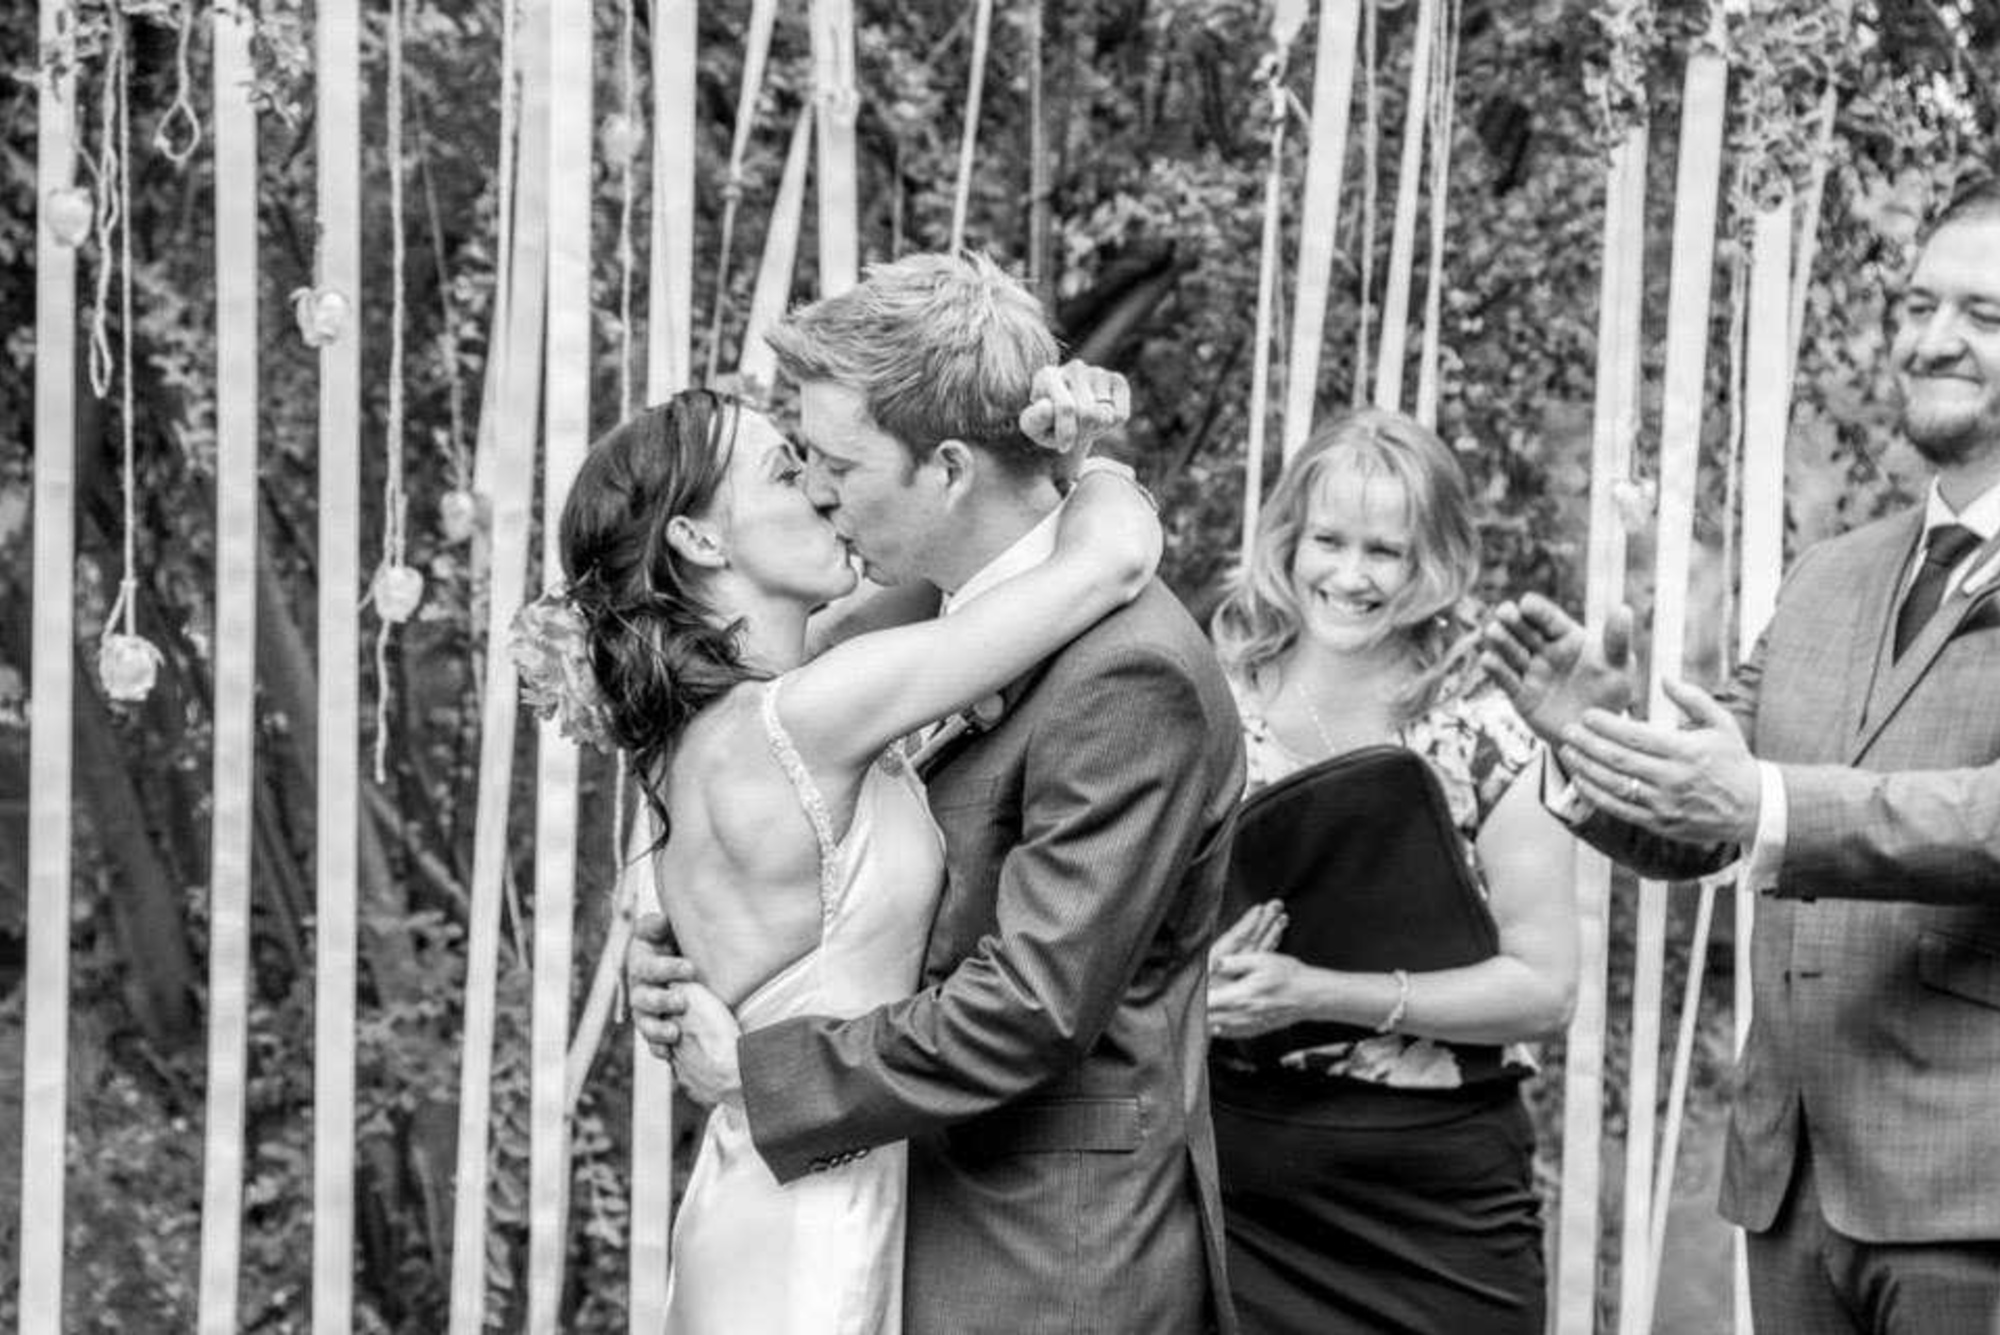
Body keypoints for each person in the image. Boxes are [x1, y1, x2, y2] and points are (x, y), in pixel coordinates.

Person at [625, 252, 1247, 1334]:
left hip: (1040, 1259)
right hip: (899, 1210)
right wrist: (697, 952)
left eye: (838, 465)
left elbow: (1031, 1005)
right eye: (799, 465)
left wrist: (762, 1069)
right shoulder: (942, 626)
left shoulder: (1123, 669)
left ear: (949, 467)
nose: (819, 491)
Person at [531, 380, 1163, 1334]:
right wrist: (1100, 464)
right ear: (701, 541)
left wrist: (1036, 467)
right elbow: (1106, 563)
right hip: (811, 1221)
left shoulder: (727, 722)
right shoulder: (807, 716)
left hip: (779, 1179)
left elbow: (965, 562)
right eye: (789, 471)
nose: (825, 494)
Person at [1481, 179, 2000, 1335]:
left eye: (1982, 314)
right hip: (1790, 1180)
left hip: (1978, 1189)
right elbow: (1708, 804)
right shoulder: (1827, 575)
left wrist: (1757, 797)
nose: (1930, 339)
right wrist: (1598, 740)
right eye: (1915, 307)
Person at [1203, 408, 1578, 1334]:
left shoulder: (1490, 733)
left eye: (1387, 550)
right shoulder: (1208, 704)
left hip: (1434, 1196)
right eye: (1329, 540)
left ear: (1434, 563)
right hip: (1241, 1176)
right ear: (1288, 539)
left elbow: (1543, 991)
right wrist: (1197, 982)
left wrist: (1313, 991)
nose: (1350, 575)